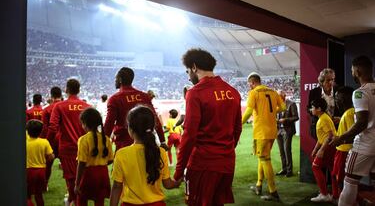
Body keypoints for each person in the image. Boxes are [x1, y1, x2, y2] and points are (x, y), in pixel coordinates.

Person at [174, 48, 242, 205]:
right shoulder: (233, 92)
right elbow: (237, 129)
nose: (188, 76)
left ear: (194, 67)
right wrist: (225, 152)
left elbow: (189, 135)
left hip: (202, 164)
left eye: (187, 71)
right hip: (227, 164)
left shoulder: (195, 93)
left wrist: (178, 172)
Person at [110, 105, 180, 206]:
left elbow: (117, 186)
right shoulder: (161, 152)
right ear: (152, 128)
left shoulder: (121, 154)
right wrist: (178, 182)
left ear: (130, 129)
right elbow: (168, 184)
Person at [330, 55, 375, 206]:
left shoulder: (360, 92)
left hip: (364, 145)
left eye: (352, 71)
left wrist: (341, 137)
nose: (352, 74)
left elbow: (362, 123)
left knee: (349, 181)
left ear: (357, 71)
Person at [242, 72, 285, 201]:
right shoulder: (272, 91)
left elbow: (249, 111)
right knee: (263, 157)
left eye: (249, 83)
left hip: (261, 132)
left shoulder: (254, 92)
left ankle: (273, 192)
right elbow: (282, 107)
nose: (249, 86)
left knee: (265, 159)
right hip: (272, 131)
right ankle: (259, 185)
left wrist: (239, 123)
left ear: (253, 82)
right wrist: (272, 112)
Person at [47, 79, 91, 206]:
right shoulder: (87, 106)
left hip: (67, 149)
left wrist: (48, 144)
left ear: (66, 90)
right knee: (82, 178)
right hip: (85, 148)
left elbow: (53, 127)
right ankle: (74, 201)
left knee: (71, 180)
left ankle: (73, 201)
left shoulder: (59, 106)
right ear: (79, 90)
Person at [104, 67, 167, 151]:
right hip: (146, 145)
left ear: (120, 79)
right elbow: (155, 120)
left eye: (115, 78)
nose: (114, 80)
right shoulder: (144, 96)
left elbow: (109, 124)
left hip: (124, 145)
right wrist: (162, 141)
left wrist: (102, 143)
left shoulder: (114, 99)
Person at [75, 108, 114, 206]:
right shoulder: (107, 139)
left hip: (88, 174)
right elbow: (110, 160)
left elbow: (82, 163)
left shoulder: (83, 140)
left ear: (84, 123)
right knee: (99, 201)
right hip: (103, 173)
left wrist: (77, 183)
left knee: (81, 200)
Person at [310, 98, 337, 202]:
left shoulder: (324, 119)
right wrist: (316, 149)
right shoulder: (323, 117)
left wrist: (321, 150)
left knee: (315, 167)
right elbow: (322, 137)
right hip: (330, 146)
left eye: (313, 107)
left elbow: (329, 136)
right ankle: (335, 194)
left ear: (319, 109)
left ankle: (324, 194)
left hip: (329, 147)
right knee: (332, 170)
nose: (311, 109)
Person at [331, 86, 355, 202]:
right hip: (342, 150)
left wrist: (339, 139)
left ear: (344, 98)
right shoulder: (348, 112)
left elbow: (352, 135)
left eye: (337, 97)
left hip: (344, 151)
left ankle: (343, 200)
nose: (336, 101)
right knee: (337, 177)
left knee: (340, 179)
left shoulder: (349, 113)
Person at [26, 119, 54, 206]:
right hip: (41, 171)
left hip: (28, 171)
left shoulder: (24, 142)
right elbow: (51, 157)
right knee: (39, 194)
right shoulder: (44, 142)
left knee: (27, 195)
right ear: (41, 131)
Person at [307, 68, 341, 140]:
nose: (331, 82)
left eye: (332, 79)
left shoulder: (339, 91)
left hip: (336, 128)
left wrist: (340, 118)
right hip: (320, 129)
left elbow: (345, 109)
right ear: (321, 82)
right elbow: (308, 108)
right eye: (328, 80)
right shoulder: (314, 92)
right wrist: (316, 112)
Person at [41, 86, 62, 189]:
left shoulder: (46, 109)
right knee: (70, 167)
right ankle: (71, 191)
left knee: (48, 164)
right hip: (64, 140)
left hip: (51, 140)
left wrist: (45, 142)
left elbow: (45, 128)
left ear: (51, 95)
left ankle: (45, 185)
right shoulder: (64, 106)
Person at [276, 90, 299, 177]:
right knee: (281, 151)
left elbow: (296, 117)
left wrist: (285, 120)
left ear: (283, 96)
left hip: (287, 130)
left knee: (287, 150)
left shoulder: (291, 104)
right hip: (278, 130)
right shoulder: (276, 104)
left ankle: (289, 170)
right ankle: (284, 169)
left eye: (278, 96)